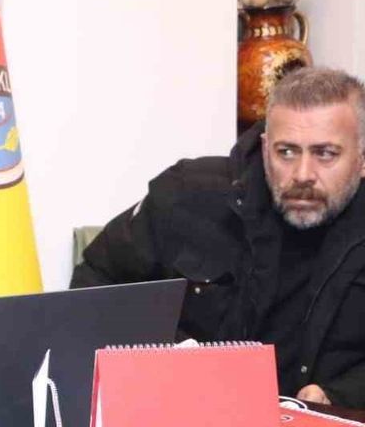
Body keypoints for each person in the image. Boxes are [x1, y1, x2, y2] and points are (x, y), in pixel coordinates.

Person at [73, 67, 365, 407]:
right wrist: (161, 368)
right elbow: (94, 289)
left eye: (325, 154)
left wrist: (341, 395)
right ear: (265, 147)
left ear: (361, 159)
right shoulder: (188, 196)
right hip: (185, 415)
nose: (302, 174)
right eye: (286, 152)